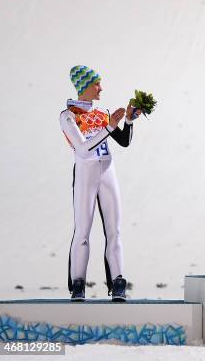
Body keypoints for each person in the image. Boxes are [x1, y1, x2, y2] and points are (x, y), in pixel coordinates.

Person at [60, 65, 141, 301]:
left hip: (107, 171)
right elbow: (83, 149)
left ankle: (118, 281)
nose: (101, 88)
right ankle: (78, 284)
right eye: (96, 84)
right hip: (86, 174)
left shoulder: (101, 113)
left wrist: (128, 120)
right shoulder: (68, 116)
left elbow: (124, 141)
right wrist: (109, 126)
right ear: (84, 86)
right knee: (83, 231)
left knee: (114, 230)